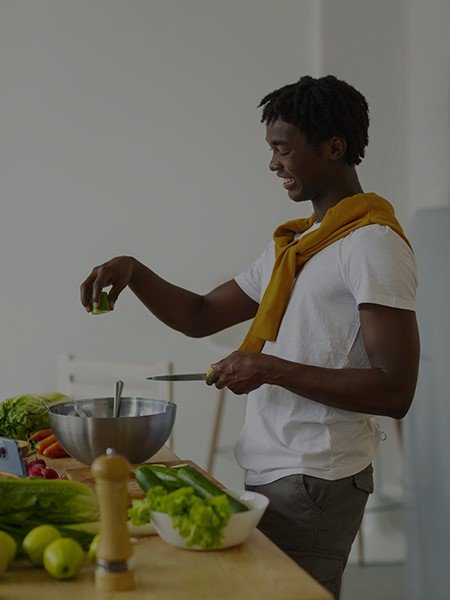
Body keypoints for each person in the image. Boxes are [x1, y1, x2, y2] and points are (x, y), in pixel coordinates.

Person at [80, 75, 420, 599]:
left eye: (282, 149)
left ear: (335, 147)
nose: (273, 163)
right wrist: (135, 271)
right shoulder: (297, 247)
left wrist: (268, 368)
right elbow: (199, 315)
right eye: (271, 150)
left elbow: (395, 390)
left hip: (317, 475)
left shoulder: (372, 245)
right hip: (278, 469)